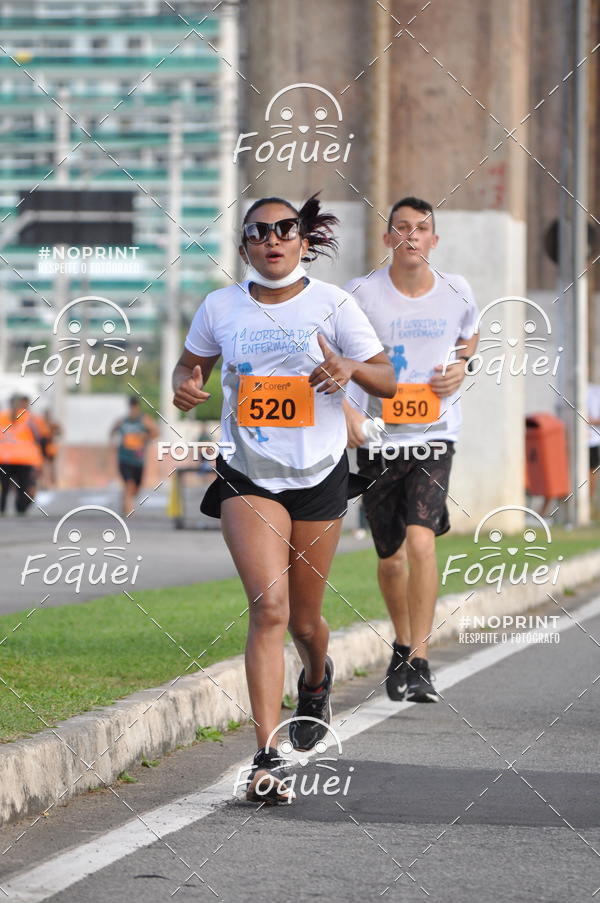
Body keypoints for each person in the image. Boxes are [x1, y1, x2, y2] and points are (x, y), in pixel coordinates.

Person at [172, 193, 395, 803]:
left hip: (319, 473)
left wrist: (349, 368)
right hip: (249, 473)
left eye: (284, 229)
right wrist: (185, 388)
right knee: (268, 609)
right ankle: (266, 758)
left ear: (303, 239)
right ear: (245, 245)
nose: (272, 240)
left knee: (304, 620)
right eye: (258, 232)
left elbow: (389, 379)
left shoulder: (334, 304)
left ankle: (316, 677)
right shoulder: (220, 306)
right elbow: (189, 368)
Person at [344, 196, 479, 704]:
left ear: (433, 241)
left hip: (435, 433)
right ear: (388, 239)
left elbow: (472, 332)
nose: (410, 236)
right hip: (378, 438)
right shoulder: (358, 293)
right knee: (391, 557)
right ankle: (400, 645)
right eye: (400, 228)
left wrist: (463, 362)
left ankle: (420, 658)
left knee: (422, 542)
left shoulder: (456, 290)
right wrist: (350, 412)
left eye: (421, 229)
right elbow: (329, 349)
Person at [110, 397, 158, 516]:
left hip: (138, 460)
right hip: (124, 458)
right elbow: (112, 432)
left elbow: (156, 432)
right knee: (129, 484)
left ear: (138, 407)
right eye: (131, 408)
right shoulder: (122, 421)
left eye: (135, 408)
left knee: (136, 489)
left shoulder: (144, 420)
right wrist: (112, 445)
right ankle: (128, 509)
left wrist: (145, 436)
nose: (133, 410)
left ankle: (125, 498)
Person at [0, 395, 44, 515]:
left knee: (4, 487)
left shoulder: (2, 417)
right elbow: (38, 438)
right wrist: (39, 460)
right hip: (24, 459)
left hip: (5, 458)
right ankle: (20, 509)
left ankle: (2, 509)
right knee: (22, 486)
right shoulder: (28, 418)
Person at [588, 383, 600, 518]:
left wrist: (588, 421)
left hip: (594, 440)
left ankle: (590, 507)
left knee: (591, 473)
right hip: (581, 441)